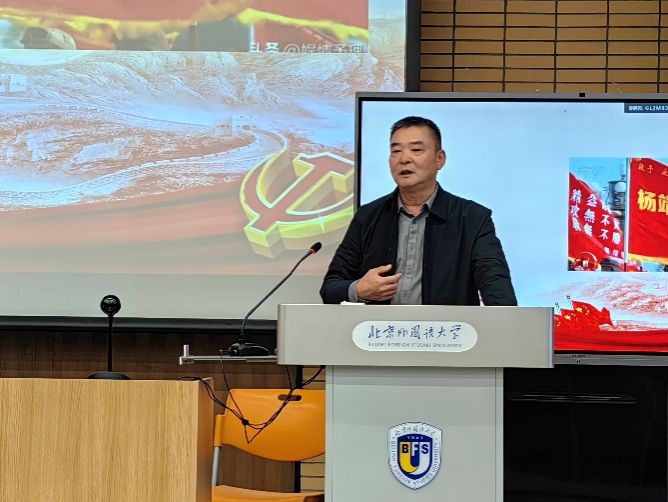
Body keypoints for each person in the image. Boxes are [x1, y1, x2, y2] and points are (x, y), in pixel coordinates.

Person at [320, 116, 517, 306]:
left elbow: (499, 294)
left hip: (447, 329)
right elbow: (330, 288)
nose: (404, 159)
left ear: (440, 159)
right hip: (379, 329)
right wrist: (359, 289)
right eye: (396, 151)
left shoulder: (473, 219)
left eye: (416, 150)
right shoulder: (368, 217)